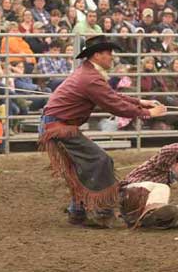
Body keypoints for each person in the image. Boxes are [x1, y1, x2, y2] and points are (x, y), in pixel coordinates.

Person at [38, 35, 167, 227]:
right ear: (97, 55)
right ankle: (101, 211)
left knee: (79, 168)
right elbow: (115, 105)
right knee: (101, 160)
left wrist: (139, 102)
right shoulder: (90, 78)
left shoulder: (89, 73)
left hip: (57, 125)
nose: (111, 57)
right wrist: (148, 112)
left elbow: (111, 96)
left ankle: (78, 212)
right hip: (58, 127)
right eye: (108, 53)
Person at [119, 136, 178, 229]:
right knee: (162, 187)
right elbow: (166, 150)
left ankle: (155, 221)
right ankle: (151, 214)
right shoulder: (161, 167)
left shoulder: (164, 179)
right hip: (129, 194)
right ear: (173, 163)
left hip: (135, 201)